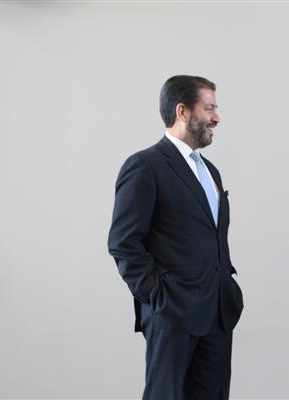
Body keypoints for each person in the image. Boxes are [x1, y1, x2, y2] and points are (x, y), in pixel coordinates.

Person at [108, 75, 243, 399]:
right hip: (173, 314)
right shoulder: (145, 165)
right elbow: (123, 243)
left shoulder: (210, 171)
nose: (217, 117)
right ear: (182, 111)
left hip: (217, 313)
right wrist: (160, 298)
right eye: (209, 108)